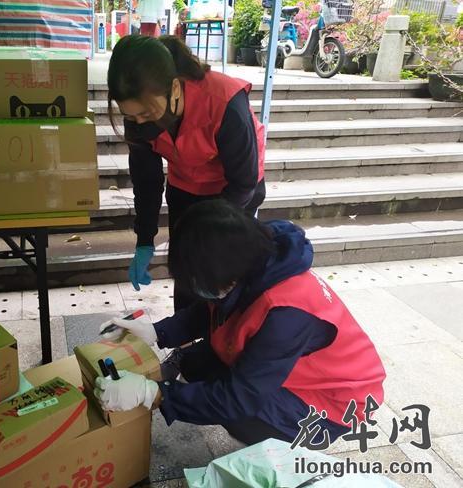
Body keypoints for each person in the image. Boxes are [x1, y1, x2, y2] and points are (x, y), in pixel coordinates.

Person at [94, 200, 386, 446]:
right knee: (196, 364)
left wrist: (153, 393)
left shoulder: (286, 314)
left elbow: (240, 397)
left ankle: (280, 450)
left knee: (241, 413)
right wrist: (156, 332)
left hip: (334, 404)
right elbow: (208, 309)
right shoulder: (247, 259)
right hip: (293, 370)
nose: (200, 292)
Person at [107, 35, 266, 309]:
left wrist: (210, 238)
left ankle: (227, 330)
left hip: (234, 191)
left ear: (174, 89)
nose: (140, 122)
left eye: (147, 113)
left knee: (221, 273)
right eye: (131, 116)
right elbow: (147, 183)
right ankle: (185, 330)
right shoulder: (140, 118)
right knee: (187, 276)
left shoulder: (223, 101)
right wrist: (144, 240)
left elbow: (244, 182)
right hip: (186, 186)